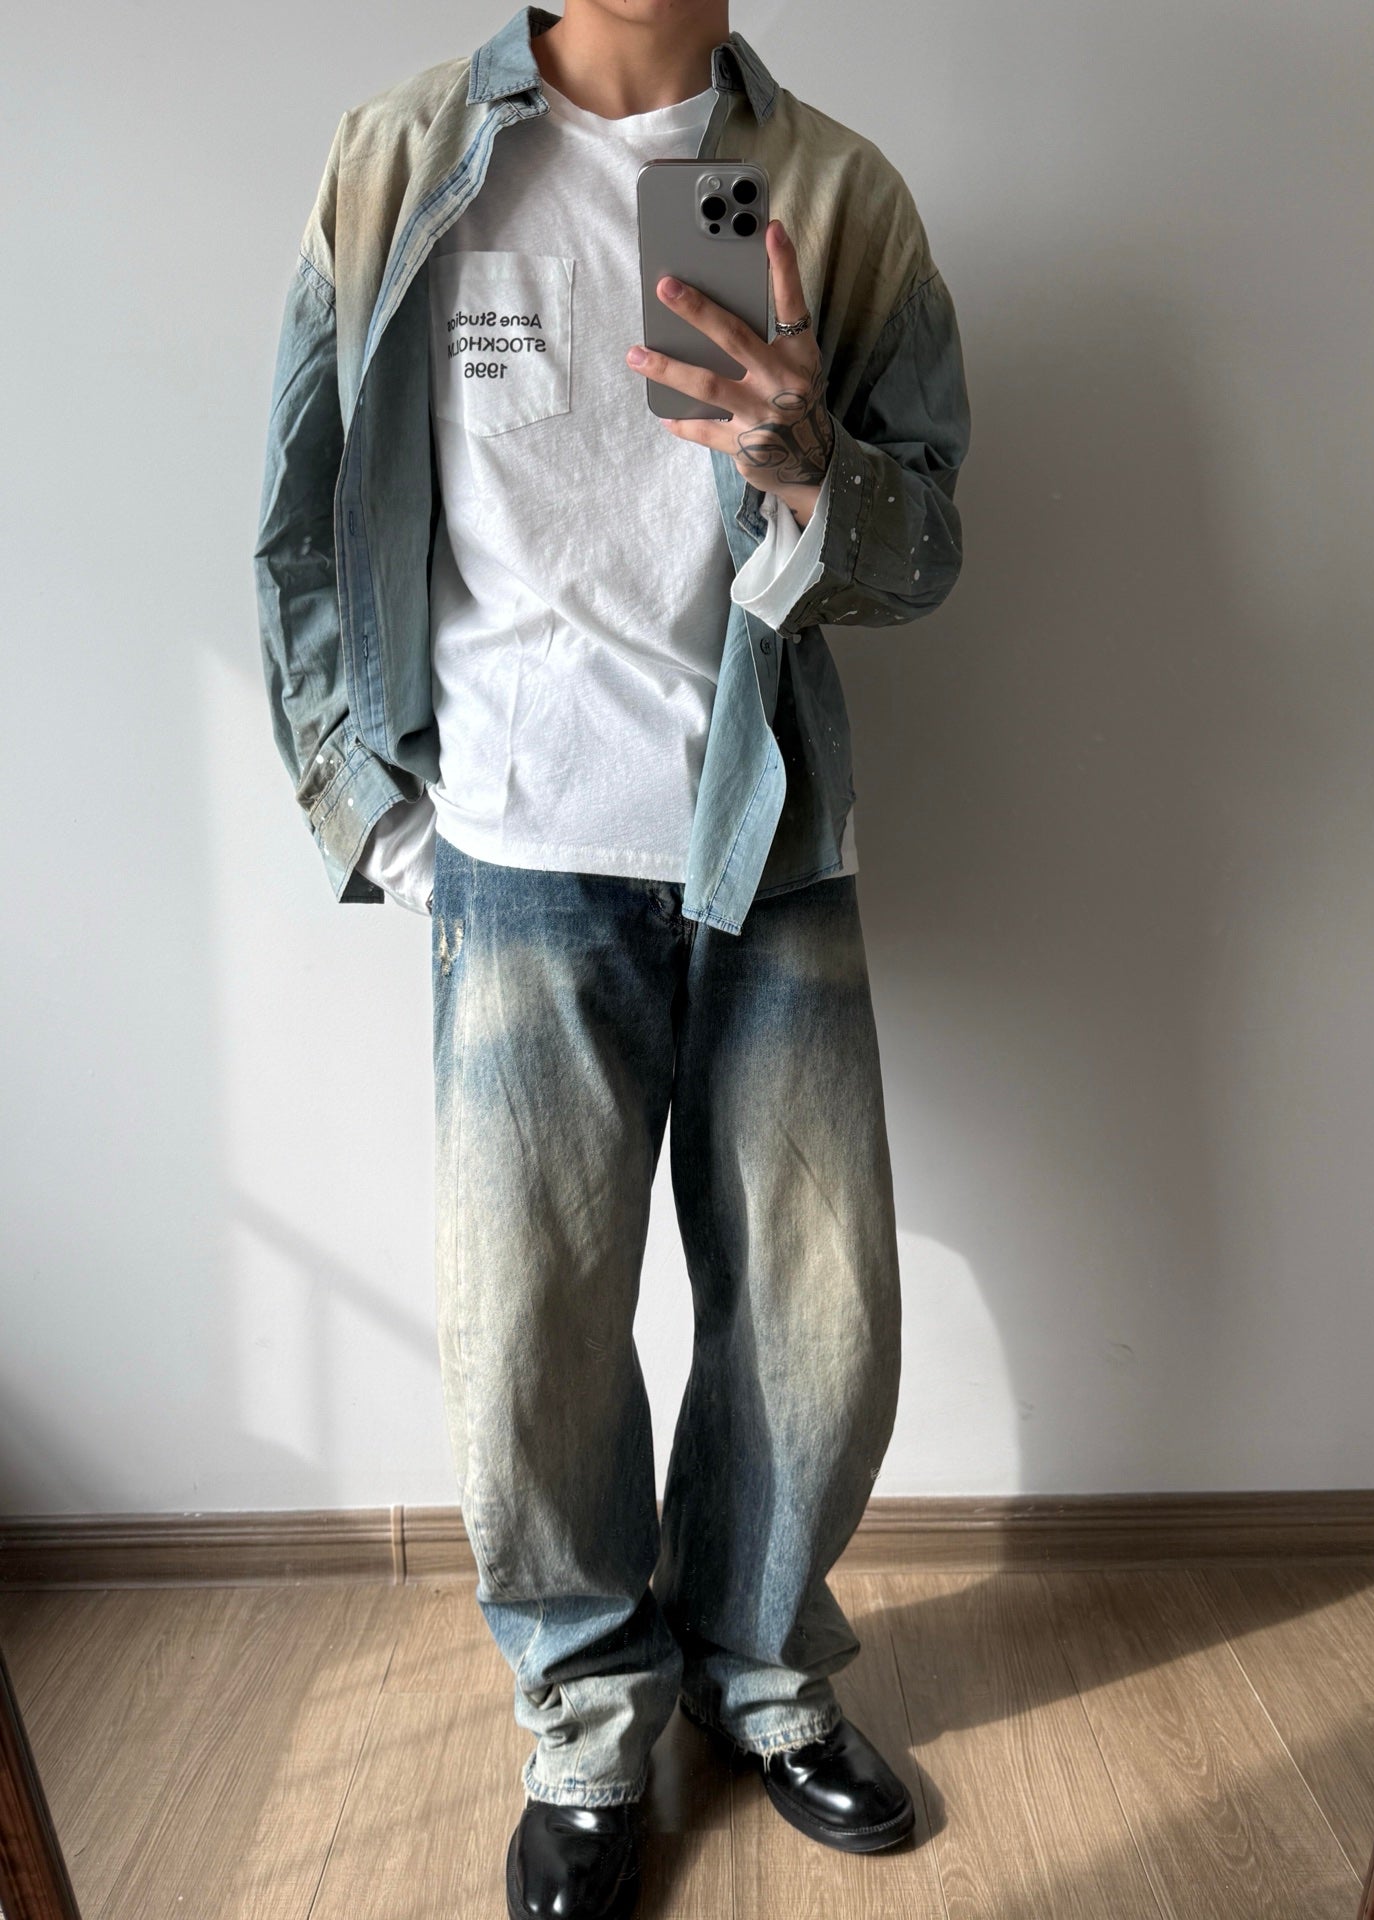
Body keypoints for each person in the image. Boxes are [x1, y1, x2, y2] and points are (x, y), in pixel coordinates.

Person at [254, 3, 970, 1914]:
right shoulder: (397, 167)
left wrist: (810, 463)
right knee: (530, 1340)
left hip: (765, 835)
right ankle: (586, 1723)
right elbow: (304, 520)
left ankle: (759, 1672)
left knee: (818, 1319)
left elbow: (925, 547)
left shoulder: (836, 193)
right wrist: (371, 810)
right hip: (511, 848)